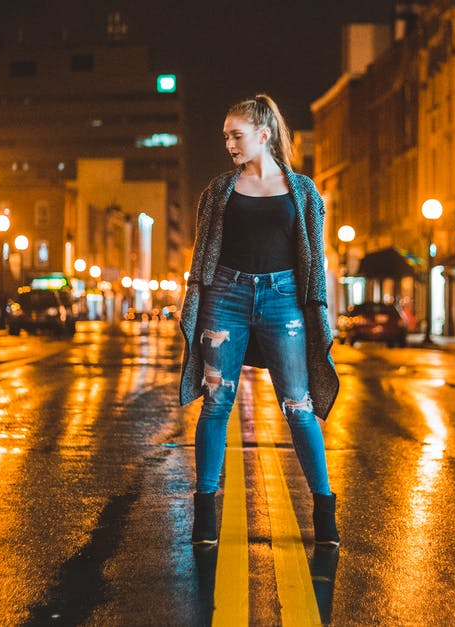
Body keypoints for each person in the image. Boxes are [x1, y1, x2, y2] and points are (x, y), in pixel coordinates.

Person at [179, 94, 340, 546]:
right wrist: (194, 296)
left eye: (237, 135)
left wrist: (319, 309)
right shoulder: (218, 191)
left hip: (284, 299)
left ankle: (324, 512)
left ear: (264, 135)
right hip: (224, 299)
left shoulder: (303, 191)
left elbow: (314, 257)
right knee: (216, 402)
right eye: (225, 136)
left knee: (298, 404)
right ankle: (205, 513)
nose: (229, 143)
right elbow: (203, 253)